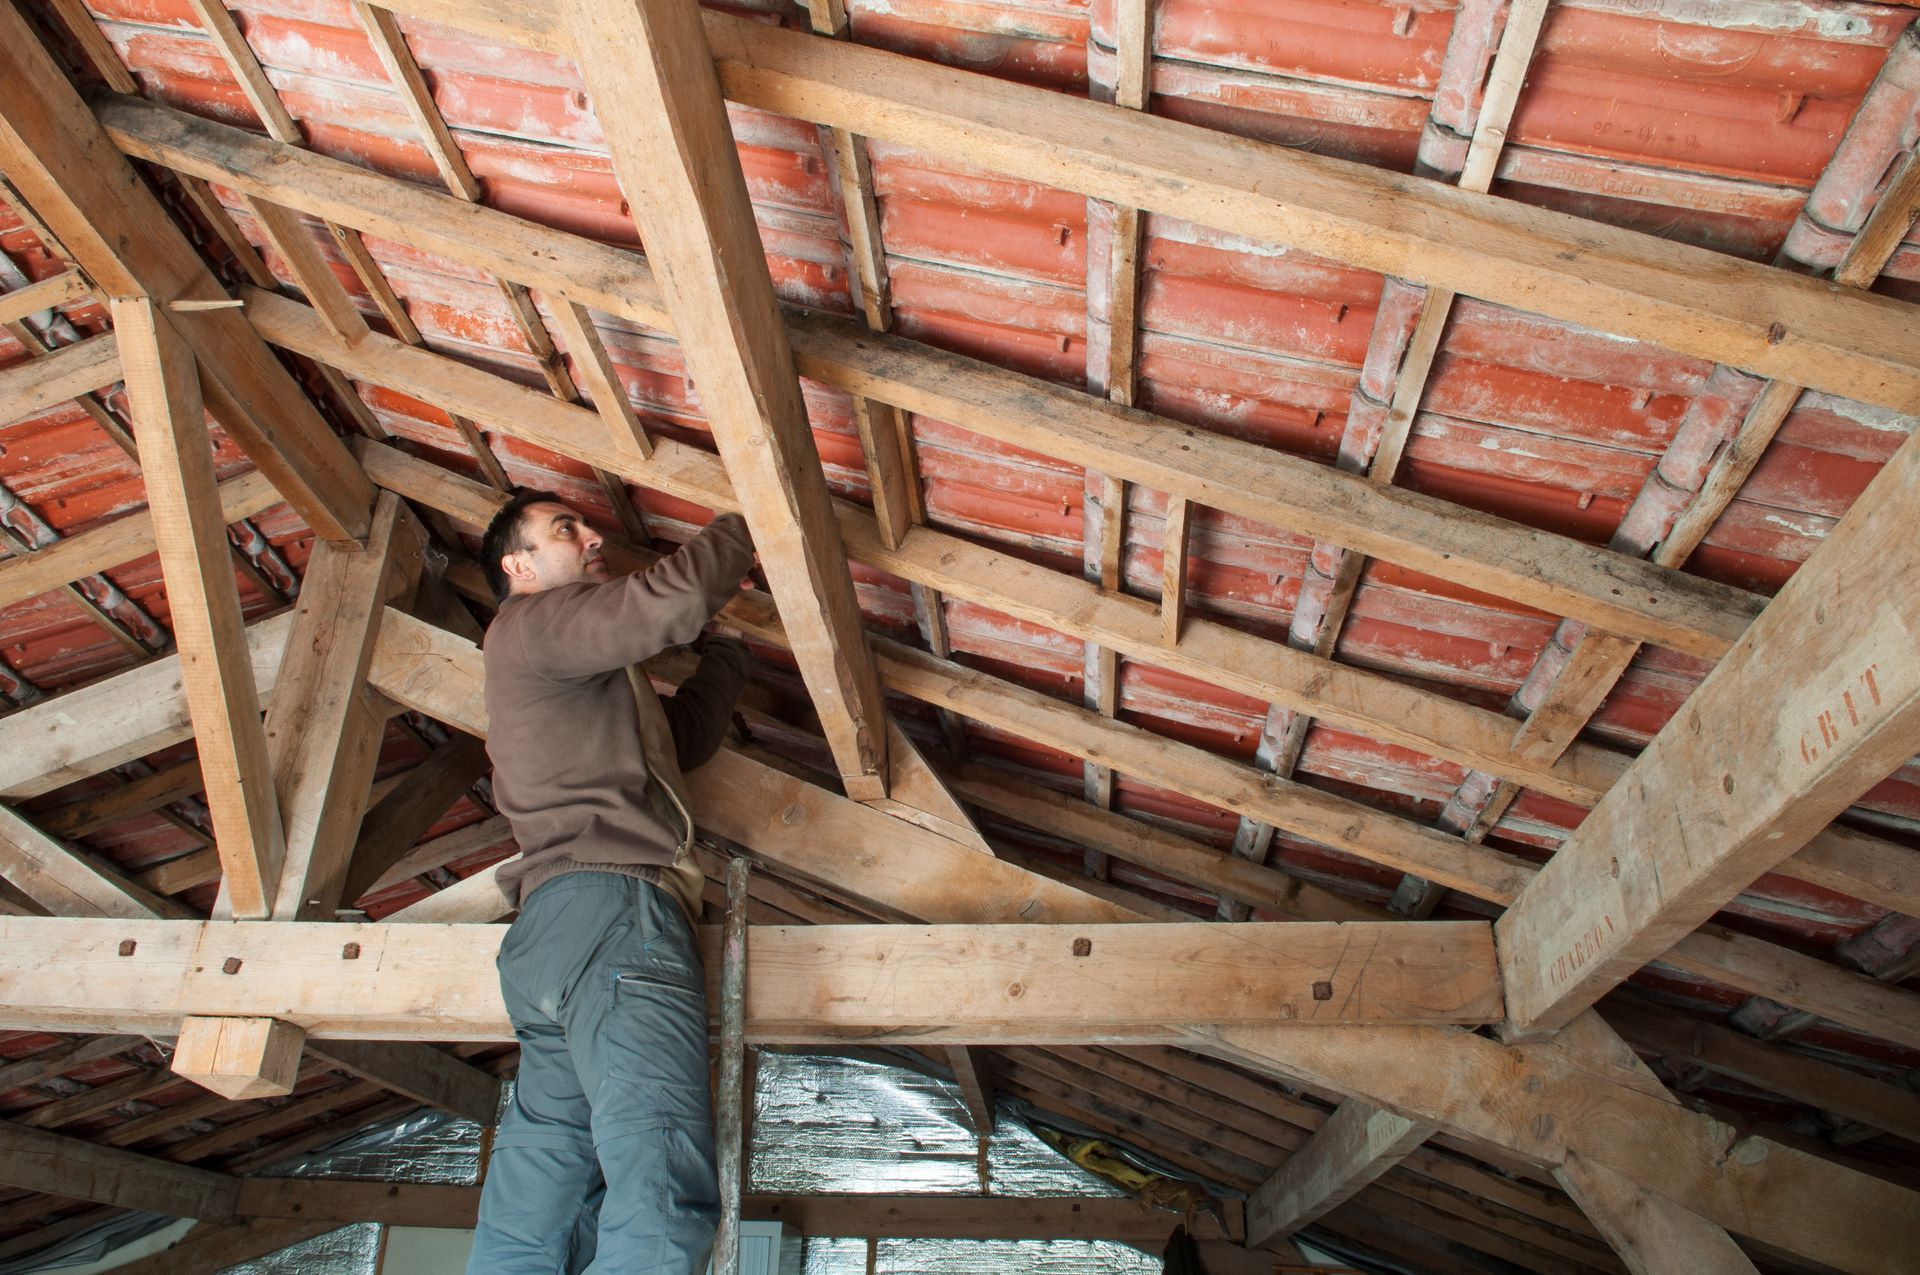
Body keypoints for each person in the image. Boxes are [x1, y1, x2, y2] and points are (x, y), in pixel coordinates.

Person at [465, 489, 757, 1274]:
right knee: (658, 1188)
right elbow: (672, 598)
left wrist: (727, 654)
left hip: (553, 934)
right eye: (569, 529)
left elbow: (677, 746)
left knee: (543, 1195)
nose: (595, 536)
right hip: (613, 914)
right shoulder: (535, 622)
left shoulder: (563, 665)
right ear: (518, 565)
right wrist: (757, 512)